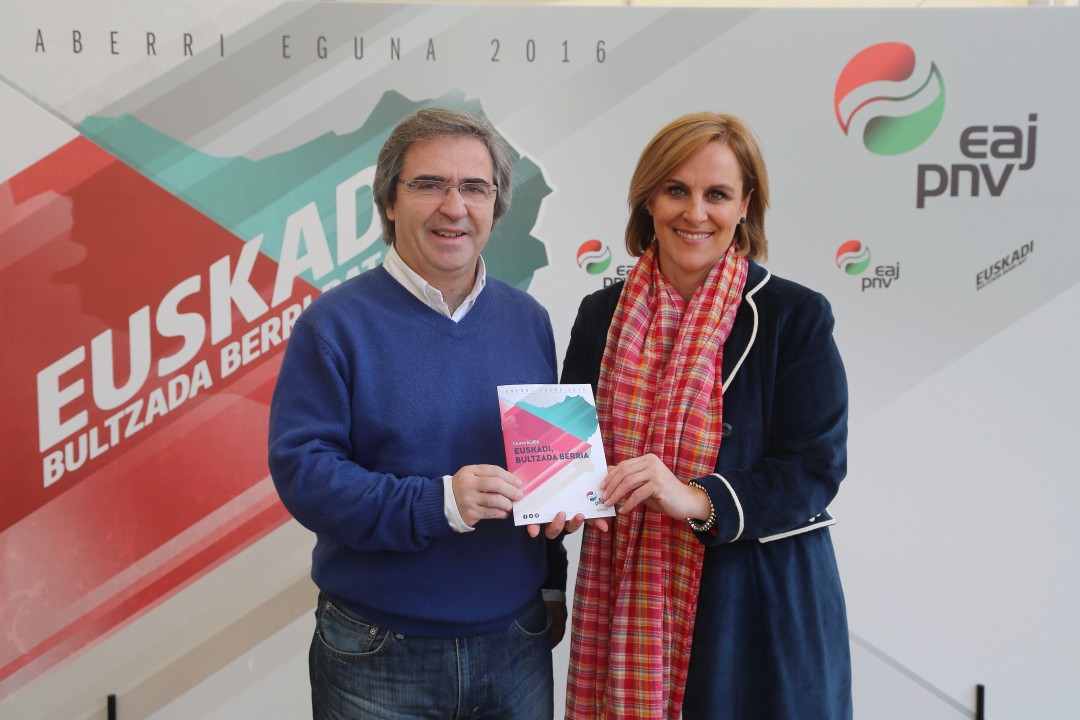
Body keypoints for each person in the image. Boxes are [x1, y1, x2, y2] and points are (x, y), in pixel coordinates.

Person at [268, 107, 578, 720]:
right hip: (378, 651)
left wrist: (551, 577)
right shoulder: (333, 325)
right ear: (389, 201)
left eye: (474, 187)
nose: (454, 207)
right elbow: (305, 475)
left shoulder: (529, 320)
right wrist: (437, 503)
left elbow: (543, 468)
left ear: (495, 205)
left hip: (517, 641)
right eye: (430, 184)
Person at [562, 112, 852, 720]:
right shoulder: (599, 314)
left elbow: (814, 468)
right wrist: (555, 498)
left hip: (758, 605)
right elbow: (567, 457)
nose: (695, 212)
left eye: (717, 194)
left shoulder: (793, 315)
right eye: (677, 190)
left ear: (745, 205)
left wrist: (695, 497)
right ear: (649, 199)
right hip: (624, 598)